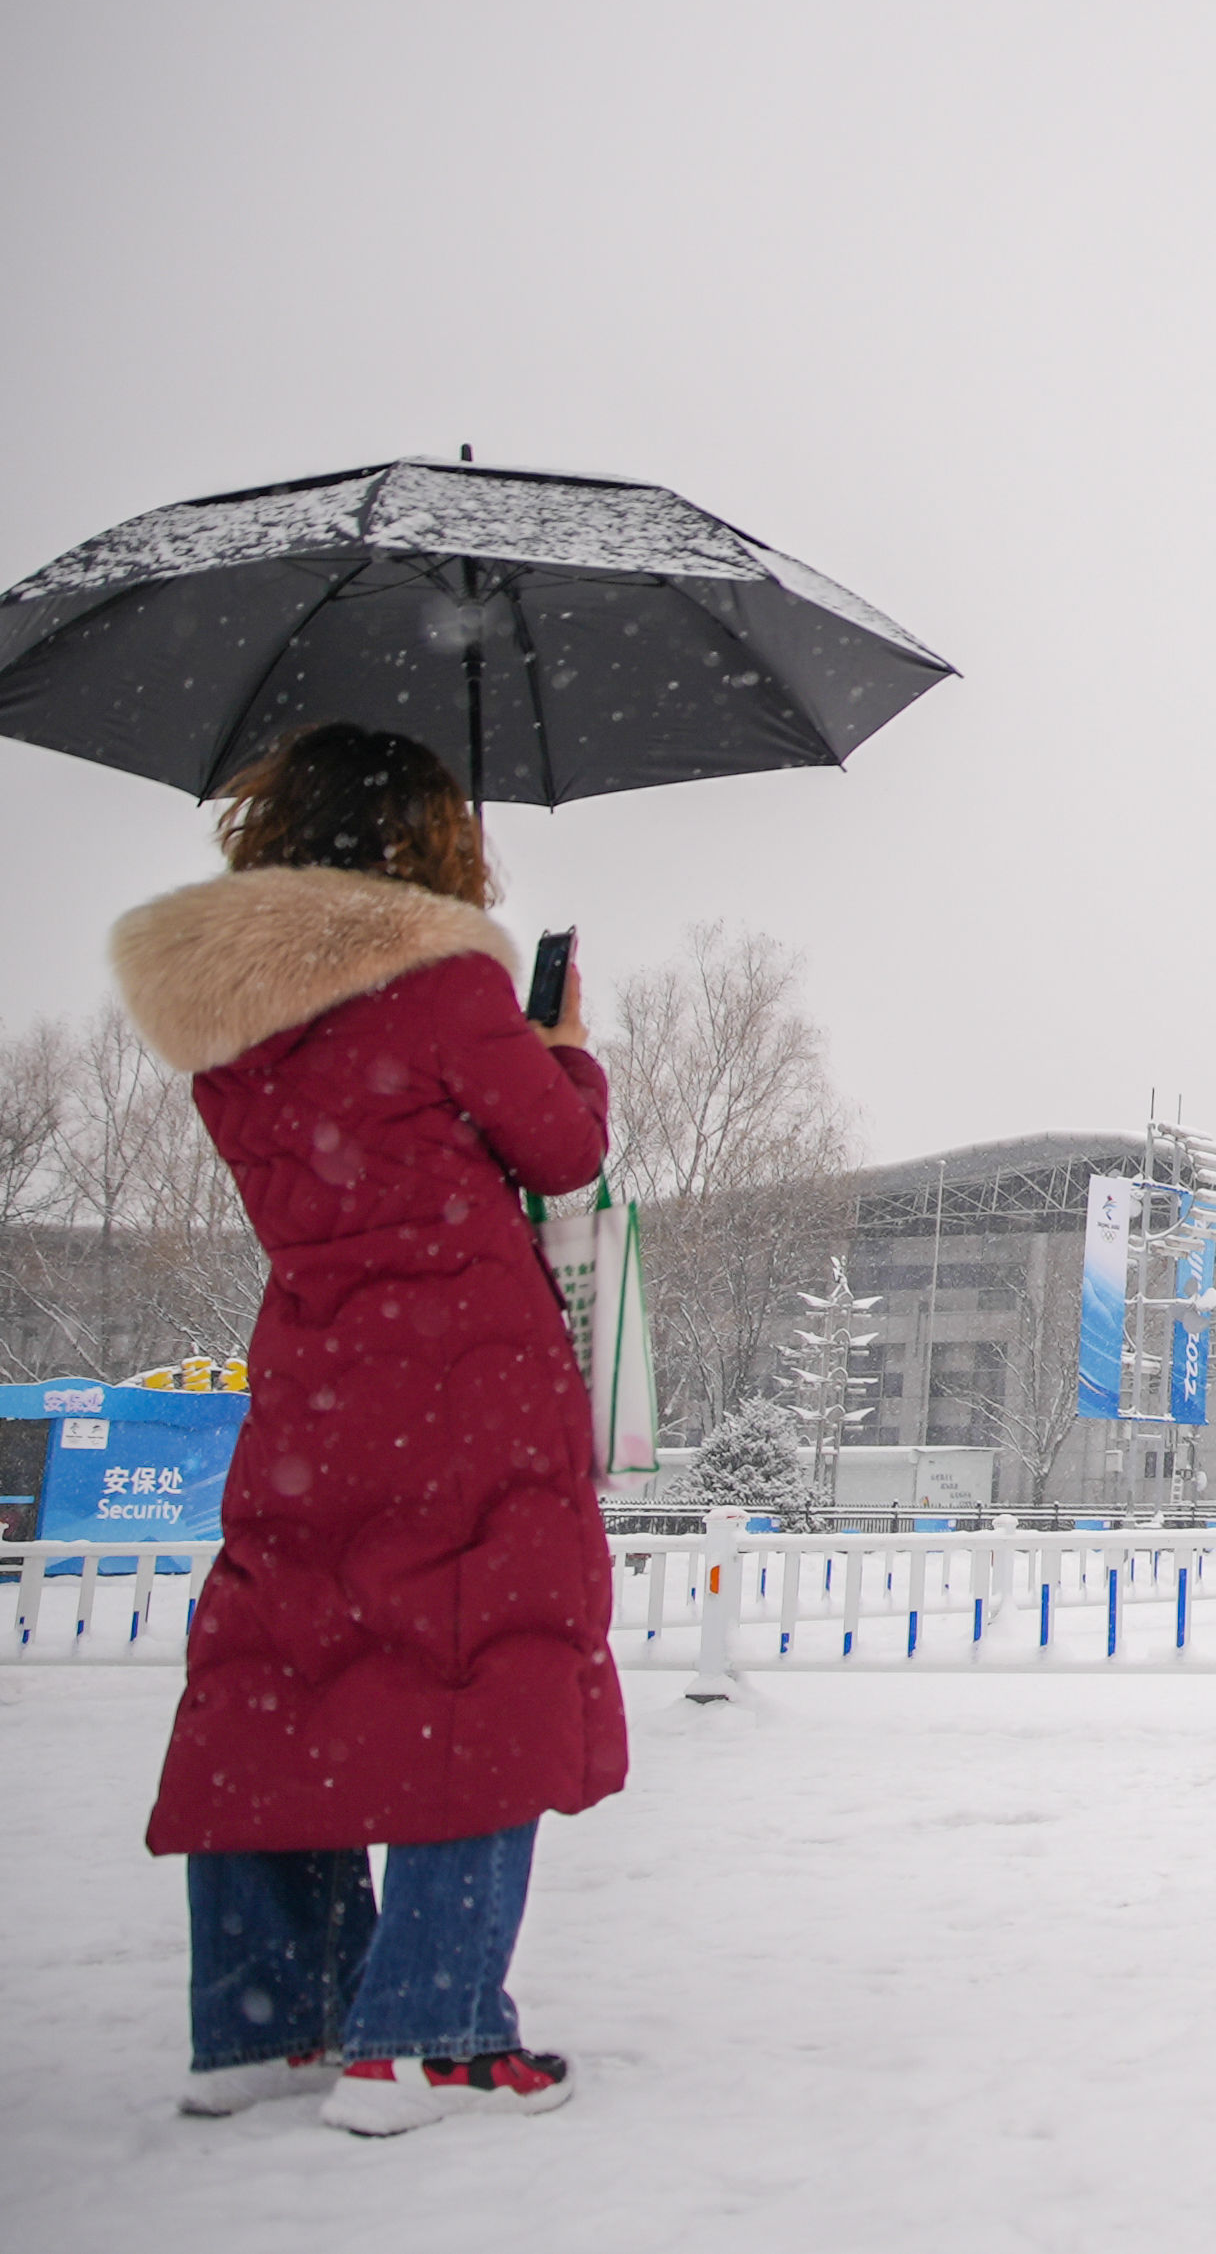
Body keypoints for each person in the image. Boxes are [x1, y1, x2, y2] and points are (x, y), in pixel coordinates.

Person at [108, 724, 622, 2136]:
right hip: (464, 1372)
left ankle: (268, 2020)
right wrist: (561, 1053)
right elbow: (560, 1152)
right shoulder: (444, 983)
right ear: (425, 840)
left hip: (312, 1378)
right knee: (481, 1661)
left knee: (289, 1672)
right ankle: (431, 2031)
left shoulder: (230, 1012)